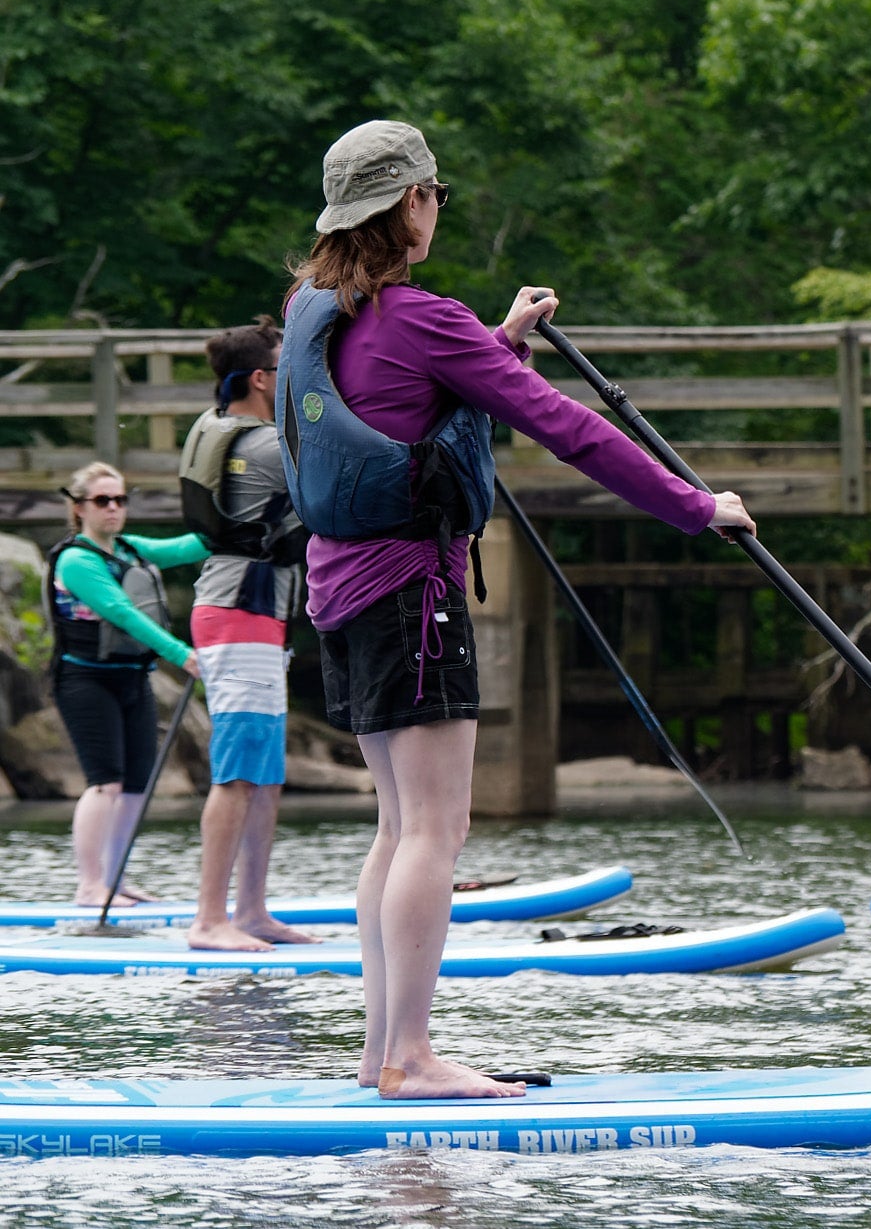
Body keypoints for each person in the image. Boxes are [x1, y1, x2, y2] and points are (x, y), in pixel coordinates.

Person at [277, 119, 756, 1102]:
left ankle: (382, 1053)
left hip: (338, 589)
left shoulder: (312, 308)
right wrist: (693, 504)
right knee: (433, 832)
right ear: (410, 202)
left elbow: (403, 393)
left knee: (397, 824)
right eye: (434, 192)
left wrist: (498, 342)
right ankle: (408, 1055)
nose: (437, 207)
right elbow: (568, 427)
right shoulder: (423, 315)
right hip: (413, 594)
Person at [180, 319, 314, 952]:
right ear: (262, 378)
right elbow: (333, 484)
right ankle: (209, 920)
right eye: (285, 363)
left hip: (252, 617)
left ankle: (253, 912)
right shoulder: (261, 447)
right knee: (236, 774)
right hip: (238, 618)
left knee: (266, 775)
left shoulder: (231, 431)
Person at [47, 463, 205, 906]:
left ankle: (114, 880)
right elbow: (123, 613)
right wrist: (182, 655)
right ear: (79, 509)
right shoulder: (77, 560)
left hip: (132, 679)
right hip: (84, 681)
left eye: (119, 499)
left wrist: (232, 522)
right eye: (102, 500)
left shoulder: (130, 548)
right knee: (106, 783)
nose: (114, 508)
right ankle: (89, 885)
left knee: (137, 783)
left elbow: (183, 548)